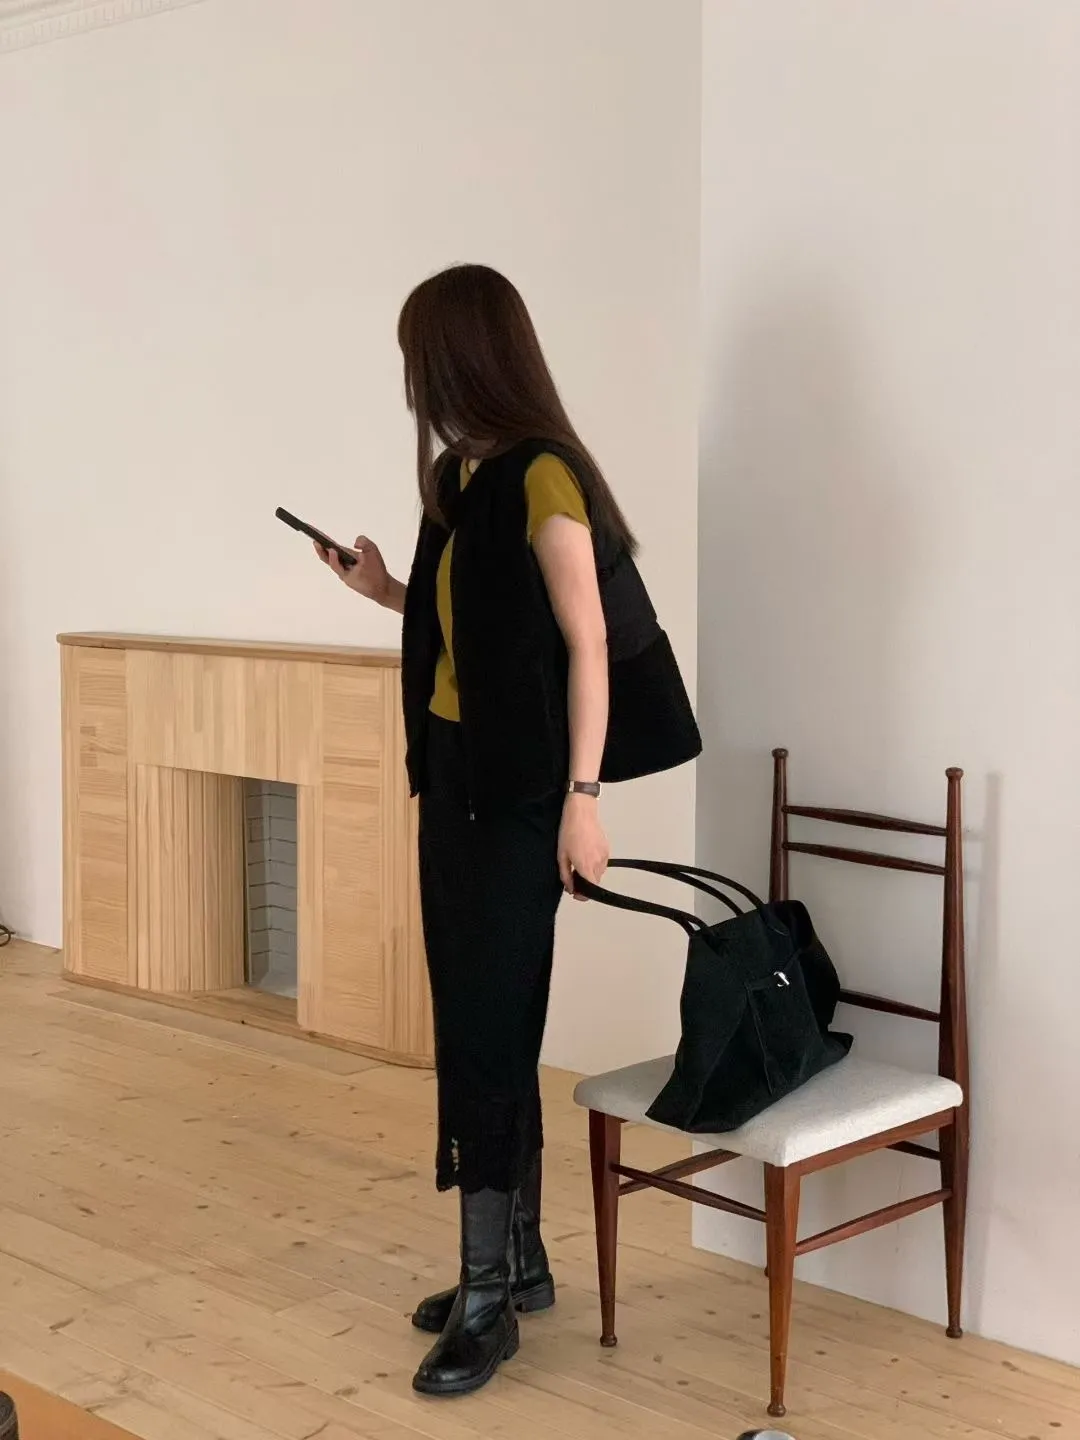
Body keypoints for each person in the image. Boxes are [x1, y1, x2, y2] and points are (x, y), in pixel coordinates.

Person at [317, 263, 699, 1397]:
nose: (411, 381)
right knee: (485, 1026)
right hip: (452, 783)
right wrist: (384, 590)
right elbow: (474, 627)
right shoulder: (461, 478)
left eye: (419, 358)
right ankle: (517, 1264)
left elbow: (587, 642)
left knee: (485, 1032)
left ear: (463, 358)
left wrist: (584, 801)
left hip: (519, 798)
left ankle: (488, 1296)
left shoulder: (541, 476)